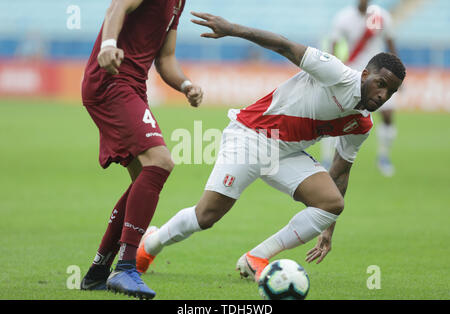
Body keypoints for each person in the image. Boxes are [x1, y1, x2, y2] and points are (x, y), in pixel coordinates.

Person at [136, 12, 405, 282]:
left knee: (332, 203)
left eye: (390, 92)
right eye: (380, 84)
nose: (383, 95)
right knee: (206, 216)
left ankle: (256, 257)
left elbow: (340, 173)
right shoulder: (337, 74)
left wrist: (327, 230)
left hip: (285, 154)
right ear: (366, 74)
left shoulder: (361, 125)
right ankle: (150, 245)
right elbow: (284, 46)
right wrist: (232, 29)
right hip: (251, 136)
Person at [79, 0, 203, 299]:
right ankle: (125, 267)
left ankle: (98, 271)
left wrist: (186, 84)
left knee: (142, 184)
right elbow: (117, 7)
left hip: (133, 86)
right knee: (160, 162)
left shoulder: (179, 2)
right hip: (111, 81)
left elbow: (166, 58)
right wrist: (108, 44)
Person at [321, 0, 399, 176]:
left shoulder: (381, 16)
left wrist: (398, 74)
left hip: (381, 75)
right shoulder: (343, 17)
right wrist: (331, 73)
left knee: (387, 115)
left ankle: (384, 157)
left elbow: (391, 42)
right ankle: (326, 160)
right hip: (355, 73)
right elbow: (333, 45)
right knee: (335, 113)